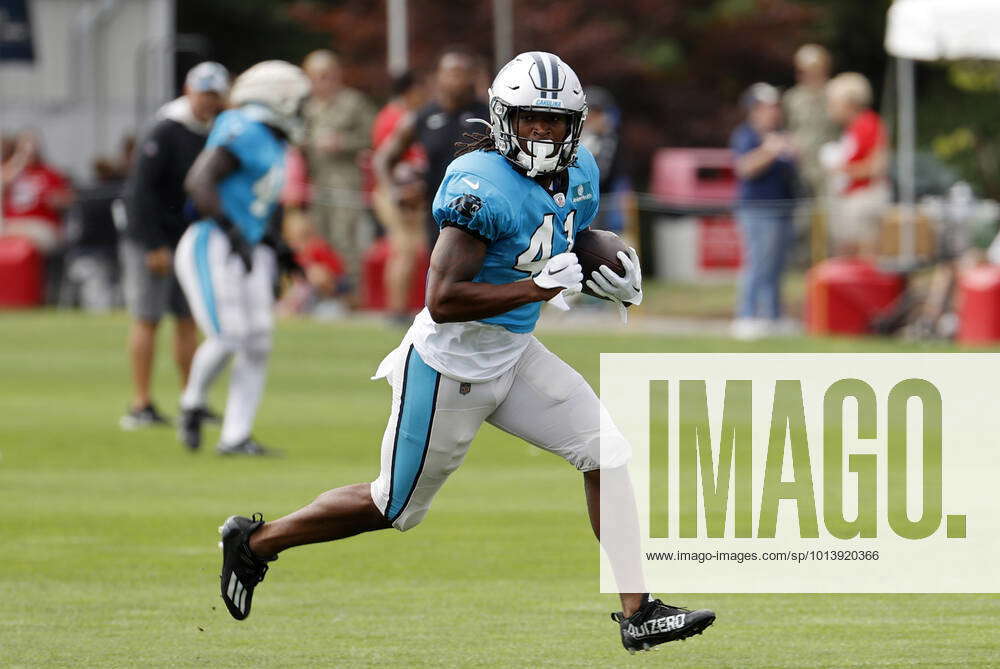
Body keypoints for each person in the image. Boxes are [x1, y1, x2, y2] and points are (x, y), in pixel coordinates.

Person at [217, 51, 715, 654]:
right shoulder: (481, 183)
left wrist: (606, 258)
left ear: (575, 125)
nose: (541, 131)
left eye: (554, 120)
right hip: (449, 365)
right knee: (394, 506)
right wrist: (542, 286)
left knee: (605, 451)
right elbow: (445, 297)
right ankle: (256, 542)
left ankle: (638, 612)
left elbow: (566, 228)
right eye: (529, 118)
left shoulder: (581, 169)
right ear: (504, 118)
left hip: (513, 352)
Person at [174, 60, 311, 455]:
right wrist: (232, 231)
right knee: (229, 334)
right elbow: (199, 181)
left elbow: (256, 205)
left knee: (258, 340)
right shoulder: (245, 127)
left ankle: (235, 435)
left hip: (246, 244)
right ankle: (192, 402)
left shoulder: (273, 140)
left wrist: (281, 251)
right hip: (213, 238)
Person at [118, 62, 229, 430]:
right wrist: (153, 244)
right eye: (204, 93)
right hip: (153, 237)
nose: (208, 101)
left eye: (215, 94)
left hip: (188, 238)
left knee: (187, 319)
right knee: (148, 317)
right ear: (189, 90)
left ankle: (190, 399)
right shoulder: (167, 129)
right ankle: (141, 402)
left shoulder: (216, 129)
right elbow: (141, 191)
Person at [374, 49, 489, 248]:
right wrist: (394, 190)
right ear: (438, 77)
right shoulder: (423, 117)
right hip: (438, 213)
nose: (458, 79)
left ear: (473, 77)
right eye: (452, 73)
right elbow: (383, 158)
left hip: (483, 211)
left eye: (464, 73)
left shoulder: (489, 116)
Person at [301, 50, 376, 298]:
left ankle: (352, 298)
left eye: (327, 75)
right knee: (318, 243)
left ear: (337, 75)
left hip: (346, 184)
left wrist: (342, 142)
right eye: (316, 76)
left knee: (346, 241)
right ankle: (324, 297)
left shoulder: (354, 102)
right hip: (316, 184)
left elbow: (372, 137)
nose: (322, 82)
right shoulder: (306, 107)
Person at [730, 83, 799, 340]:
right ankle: (746, 315)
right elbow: (744, 168)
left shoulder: (781, 134)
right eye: (766, 108)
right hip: (757, 209)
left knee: (777, 266)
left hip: (782, 207)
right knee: (757, 263)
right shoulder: (746, 135)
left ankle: (772, 316)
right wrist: (771, 150)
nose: (772, 112)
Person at [372, 70, 429, 323]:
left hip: (407, 194)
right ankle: (396, 310)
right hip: (395, 194)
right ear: (410, 90)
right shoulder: (394, 118)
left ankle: (402, 308)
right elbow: (384, 161)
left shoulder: (402, 116)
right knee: (403, 251)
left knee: (410, 251)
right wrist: (397, 192)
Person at [821, 72, 889, 257]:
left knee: (863, 256)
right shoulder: (854, 127)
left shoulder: (868, 124)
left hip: (863, 200)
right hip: (852, 198)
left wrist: (841, 170)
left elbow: (877, 167)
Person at [783, 45, 839, 263]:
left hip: (828, 168)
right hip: (803, 168)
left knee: (829, 220)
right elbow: (790, 129)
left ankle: (829, 262)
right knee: (804, 221)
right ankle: (808, 265)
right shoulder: (793, 98)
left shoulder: (834, 93)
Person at [1, 129, 73, 255]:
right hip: (12, 225)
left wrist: (55, 199)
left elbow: (67, 199)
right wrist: (19, 160)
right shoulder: (11, 172)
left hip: (39, 225)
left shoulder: (50, 173)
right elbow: (4, 181)